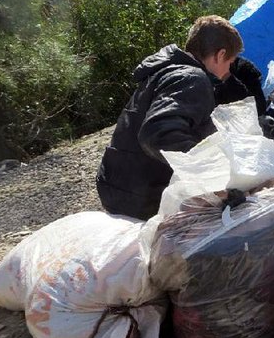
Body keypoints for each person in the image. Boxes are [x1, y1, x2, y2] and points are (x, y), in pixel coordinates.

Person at [96, 15, 245, 220]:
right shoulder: (192, 78)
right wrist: (212, 182)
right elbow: (158, 134)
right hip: (142, 197)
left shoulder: (165, 71)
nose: (227, 71)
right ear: (220, 55)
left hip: (116, 185)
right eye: (230, 62)